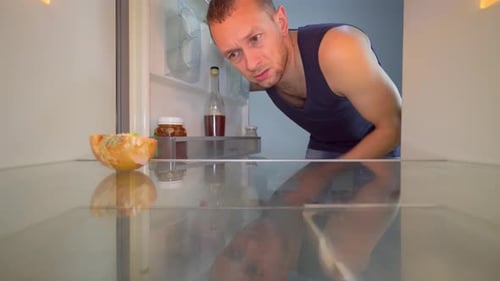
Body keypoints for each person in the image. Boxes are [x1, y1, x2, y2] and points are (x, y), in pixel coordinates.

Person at [206, 0, 402, 159]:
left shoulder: (340, 50)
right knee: (291, 201)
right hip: (323, 146)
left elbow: (394, 127)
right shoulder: (258, 71)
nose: (251, 64)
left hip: (378, 145)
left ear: (281, 22)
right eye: (233, 54)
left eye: (255, 38)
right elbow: (209, 82)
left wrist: (324, 175)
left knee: (365, 206)